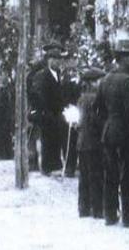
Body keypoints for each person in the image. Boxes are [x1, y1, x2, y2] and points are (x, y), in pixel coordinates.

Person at [96, 38, 129, 227]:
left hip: (109, 132)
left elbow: (97, 108)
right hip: (127, 133)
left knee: (111, 174)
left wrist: (107, 123)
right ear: (124, 58)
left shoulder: (106, 79)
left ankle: (109, 214)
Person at [28, 42, 67, 175]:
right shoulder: (42, 75)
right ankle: (47, 167)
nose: (57, 62)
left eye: (59, 60)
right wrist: (44, 111)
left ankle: (55, 165)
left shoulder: (58, 74)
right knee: (47, 140)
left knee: (56, 139)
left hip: (57, 113)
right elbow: (38, 95)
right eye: (54, 59)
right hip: (46, 113)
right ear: (49, 60)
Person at [75, 67, 105, 218]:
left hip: (82, 142)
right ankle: (98, 209)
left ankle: (84, 208)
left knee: (84, 177)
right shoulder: (95, 98)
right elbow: (96, 121)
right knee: (96, 176)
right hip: (94, 142)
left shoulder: (81, 98)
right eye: (99, 80)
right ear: (93, 82)